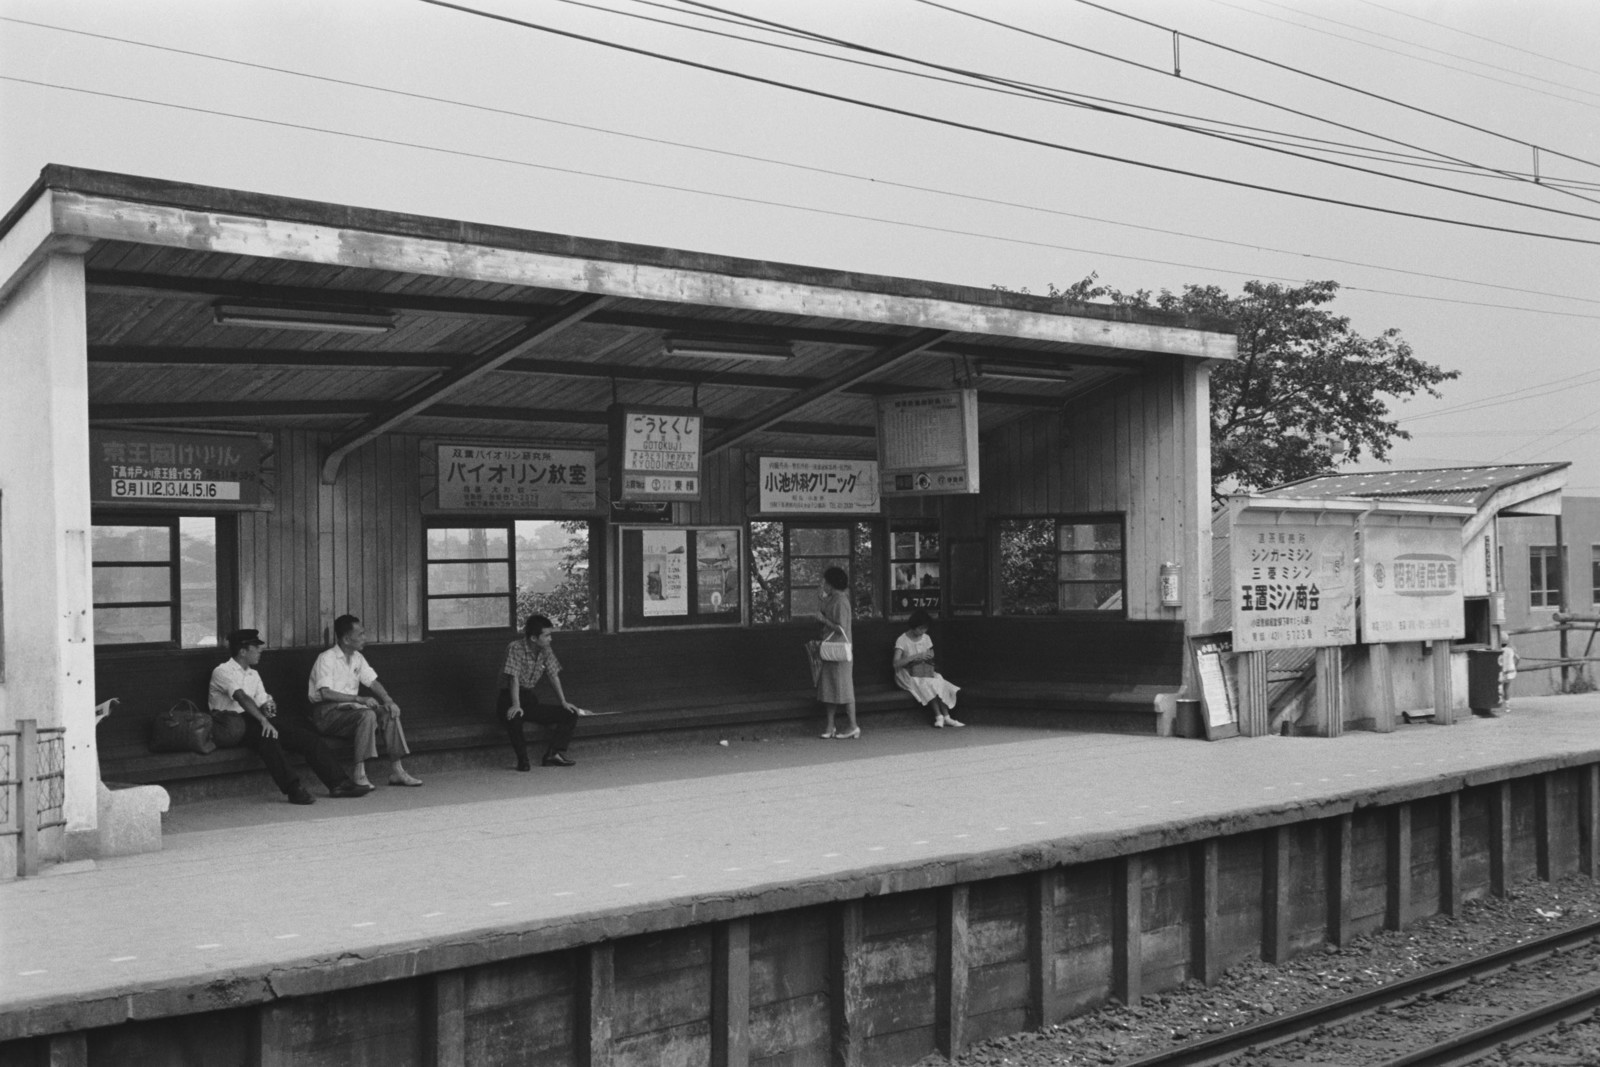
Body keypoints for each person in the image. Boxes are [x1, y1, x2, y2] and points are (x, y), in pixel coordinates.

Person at [208, 629, 371, 804]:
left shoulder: (253, 674)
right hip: (232, 724)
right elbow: (241, 697)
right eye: (256, 647)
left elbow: (263, 700)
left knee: (307, 738)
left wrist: (268, 707)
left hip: (255, 720)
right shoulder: (222, 671)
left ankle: (339, 783)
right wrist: (264, 720)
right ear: (242, 651)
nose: (260, 650)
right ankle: (294, 789)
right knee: (268, 738)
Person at [307, 614, 422, 788]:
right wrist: (359, 698)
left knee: (388, 712)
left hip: (351, 712)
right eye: (360, 634)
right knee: (367, 714)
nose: (364, 638)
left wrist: (388, 700)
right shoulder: (326, 658)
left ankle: (397, 770)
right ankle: (359, 773)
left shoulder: (357, 658)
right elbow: (326, 693)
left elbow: (373, 682)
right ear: (346, 638)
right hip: (327, 714)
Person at [499, 613, 592, 769]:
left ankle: (553, 754)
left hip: (529, 699)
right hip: (508, 698)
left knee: (569, 713)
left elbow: (553, 675)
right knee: (514, 719)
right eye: (547, 635)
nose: (550, 639)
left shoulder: (545, 649)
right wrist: (515, 704)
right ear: (534, 638)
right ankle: (523, 760)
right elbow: (513, 678)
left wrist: (563, 702)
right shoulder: (515, 647)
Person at [893, 608, 965, 729]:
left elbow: (931, 655)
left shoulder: (926, 638)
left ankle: (946, 717)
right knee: (927, 683)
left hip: (923, 670)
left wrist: (926, 658)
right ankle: (939, 716)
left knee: (939, 679)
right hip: (906, 674)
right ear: (913, 626)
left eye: (925, 628)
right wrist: (915, 657)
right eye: (920, 628)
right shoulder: (902, 640)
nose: (923, 631)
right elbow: (895, 663)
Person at [809, 566, 859, 739]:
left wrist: (824, 620)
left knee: (845, 687)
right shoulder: (831, 598)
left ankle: (853, 725)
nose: (823, 584)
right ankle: (830, 726)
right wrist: (820, 600)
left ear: (831, 583)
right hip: (830, 648)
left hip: (839, 649)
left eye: (825, 581)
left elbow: (841, 627)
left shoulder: (841, 601)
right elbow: (822, 612)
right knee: (829, 687)